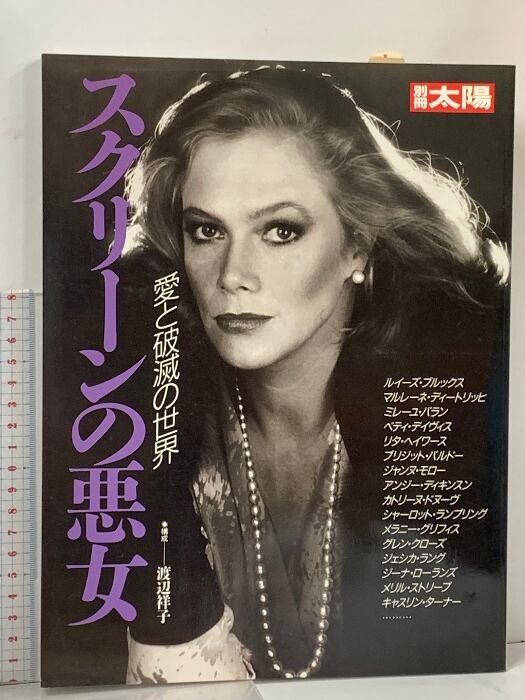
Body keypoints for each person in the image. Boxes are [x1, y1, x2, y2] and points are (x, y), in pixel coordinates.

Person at [122, 65, 510, 683]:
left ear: (357, 245)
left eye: (280, 230)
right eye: (207, 230)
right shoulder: (146, 404)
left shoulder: (454, 406)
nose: (232, 275)